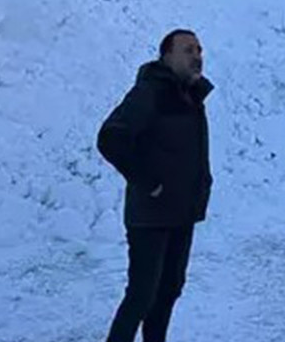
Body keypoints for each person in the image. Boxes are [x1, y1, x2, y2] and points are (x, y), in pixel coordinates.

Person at [97, 29, 213, 342]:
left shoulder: (189, 95)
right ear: (167, 56)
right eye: (188, 50)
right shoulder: (150, 92)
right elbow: (111, 138)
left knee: (169, 290)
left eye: (199, 50)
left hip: (181, 212)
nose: (197, 56)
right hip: (151, 216)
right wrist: (149, 183)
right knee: (141, 295)